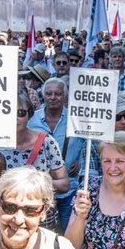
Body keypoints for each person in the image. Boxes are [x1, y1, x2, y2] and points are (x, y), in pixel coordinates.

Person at [28, 78, 86, 230]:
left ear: (65, 96)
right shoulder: (32, 119)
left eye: (57, 94)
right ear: (43, 95)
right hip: (40, 190)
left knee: (68, 233)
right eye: (49, 93)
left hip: (70, 189)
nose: (53, 97)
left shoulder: (76, 119)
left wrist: (81, 161)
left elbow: (88, 144)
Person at [3, 92, 71, 219]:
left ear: (29, 114)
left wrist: (36, 183)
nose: (14, 118)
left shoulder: (46, 142)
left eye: (20, 113)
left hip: (40, 215)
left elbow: (64, 184)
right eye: (8, 112)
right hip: (7, 213)